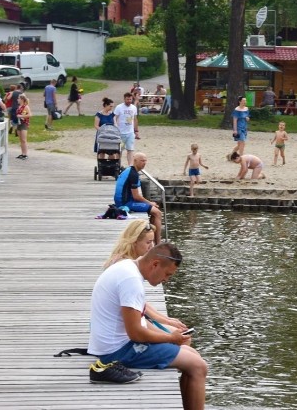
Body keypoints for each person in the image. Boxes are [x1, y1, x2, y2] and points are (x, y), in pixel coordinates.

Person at [88, 243, 207, 407]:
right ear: (155, 264)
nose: (166, 280)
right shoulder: (132, 282)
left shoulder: (127, 267)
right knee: (198, 366)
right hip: (115, 352)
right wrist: (170, 337)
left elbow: (139, 324)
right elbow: (136, 333)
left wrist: (170, 337)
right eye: (167, 274)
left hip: (112, 344)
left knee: (191, 354)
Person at [114, 152, 162, 243]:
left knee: (153, 212)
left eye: (145, 161)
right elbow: (136, 196)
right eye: (142, 161)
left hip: (122, 201)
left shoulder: (129, 170)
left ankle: (153, 239)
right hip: (126, 203)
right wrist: (149, 203)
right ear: (135, 161)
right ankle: (158, 243)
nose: (144, 163)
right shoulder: (133, 174)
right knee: (157, 213)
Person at [113, 92, 139, 167]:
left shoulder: (133, 108)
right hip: (120, 133)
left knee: (130, 150)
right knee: (119, 150)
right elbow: (115, 117)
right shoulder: (119, 107)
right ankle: (117, 165)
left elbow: (135, 119)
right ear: (124, 99)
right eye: (127, 99)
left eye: (130, 99)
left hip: (130, 132)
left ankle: (130, 166)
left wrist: (136, 130)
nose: (129, 101)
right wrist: (115, 125)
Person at [16, 93, 31, 160]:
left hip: (24, 124)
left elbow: (30, 115)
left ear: (22, 99)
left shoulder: (26, 106)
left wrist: (21, 116)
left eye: (18, 98)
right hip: (19, 123)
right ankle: (22, 153)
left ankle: (25, 154)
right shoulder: (19, 107)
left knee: (24, 140)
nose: (17, 100)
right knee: (21, 140)